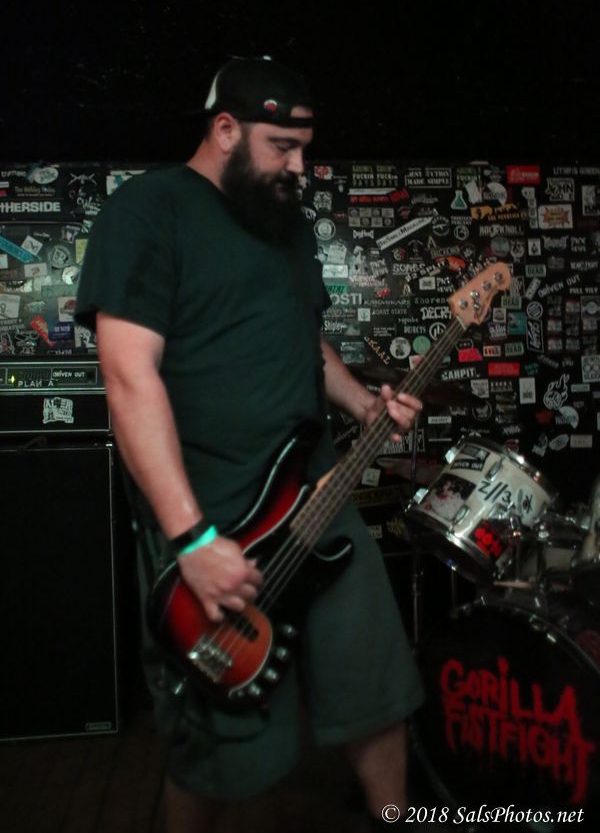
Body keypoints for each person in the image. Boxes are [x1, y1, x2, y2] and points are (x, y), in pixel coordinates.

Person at [75, 57, 424, 832]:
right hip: (214, 518)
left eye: (304, 149)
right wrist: (191, 538)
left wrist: (362, 402)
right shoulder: (147, 211)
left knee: (376, 694)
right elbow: (129, 379)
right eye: (282, 147)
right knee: (218, 743)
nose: (300, 167)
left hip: (320, 496)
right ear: (225, 129)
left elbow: (304, 337)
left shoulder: (282, 221)